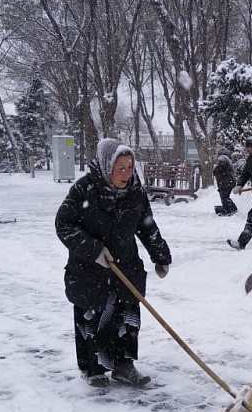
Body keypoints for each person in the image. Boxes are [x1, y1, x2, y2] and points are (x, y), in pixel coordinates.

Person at [55, 137, 172, 388]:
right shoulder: (84, 189)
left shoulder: (135, 192)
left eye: (130, 167)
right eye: (121, 168)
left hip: (126, 266)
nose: (127, 174)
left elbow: (146, 225)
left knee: (127, 318)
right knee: (93, 318)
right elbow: (63, 224)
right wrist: (94, 250)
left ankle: (123, 366)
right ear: (107, 165)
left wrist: (161, 256)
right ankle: (93, 369)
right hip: (89, 270)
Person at [212, 146, 238, 216]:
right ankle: (230, 209)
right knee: (225, 196)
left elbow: (220, 168)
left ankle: (229, 210)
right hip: (229, 182)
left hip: (225, 182)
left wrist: (215, 170)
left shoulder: (222, 158)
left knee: (224, 197)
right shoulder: (227, 159)